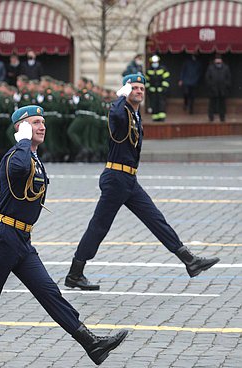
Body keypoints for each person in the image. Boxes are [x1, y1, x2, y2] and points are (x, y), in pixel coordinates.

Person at [0, 105, 129, 368]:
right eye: (35, 123)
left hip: (20, 239)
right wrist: (22, 139)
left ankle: (91, 342)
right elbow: (19, 169)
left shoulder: (32, 156)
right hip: (4, 235)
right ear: (21, 128)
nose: (42, 127)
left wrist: (26, 142)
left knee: (49, 293)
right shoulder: (15, 156)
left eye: (43, 122)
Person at [64, 74, 220, 291]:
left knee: (156, 219)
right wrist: (121, 96)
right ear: (127, 91)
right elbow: (115, 114)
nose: (139, 91)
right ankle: (75, 273)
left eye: (141, 88)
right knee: (99, 227)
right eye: (134, 88)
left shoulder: (136, 115)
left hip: (128, 179)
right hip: (116, 178)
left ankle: (189, 261)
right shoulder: (121, 111)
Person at [205, 55, 231, 122]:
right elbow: (207, 78)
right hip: (213, 89)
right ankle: (211, 118)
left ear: (221, 61)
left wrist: (226, 85)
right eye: (217, 60)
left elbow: (228, 78)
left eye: (219, 60)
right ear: (214, 61)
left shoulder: (226, 68)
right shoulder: (210, 68)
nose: (218, 61)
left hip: (222, 89)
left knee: (222, 105)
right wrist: (211, 86)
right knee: (212, 104)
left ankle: (222, 118)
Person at [145, 55, 170, 121]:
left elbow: (166, 79)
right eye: (153, 62)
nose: (154, 63)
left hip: (161, 91)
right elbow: (147, 81)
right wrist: (148, 89)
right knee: (153, 104)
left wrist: (163, 88)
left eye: (155, 62)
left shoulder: (163, 69)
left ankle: (162, 117)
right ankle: (155, 117)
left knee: (161, 103)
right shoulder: (149, 70)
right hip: (152, 91)